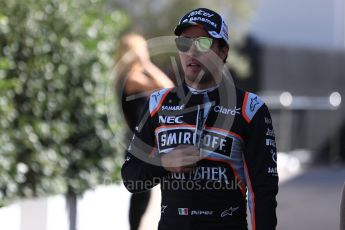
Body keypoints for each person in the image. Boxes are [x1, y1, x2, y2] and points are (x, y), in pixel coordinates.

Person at [121, 8, 278, 230]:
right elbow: (131, 177)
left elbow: (263, 192)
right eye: (184, 43)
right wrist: (164, 163)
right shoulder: (157, 103)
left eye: (203, 43)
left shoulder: (250, 108)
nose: (192, 51)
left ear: (223, 51)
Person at [114, 33, 174, 230]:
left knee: (143, 192)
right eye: (141, 50)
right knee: (141, 193)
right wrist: (147, 63)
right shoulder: (130, 78)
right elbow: (168, 88)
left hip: (144, 142)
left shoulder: (133, 76)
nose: (144, 54)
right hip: (138, 142)